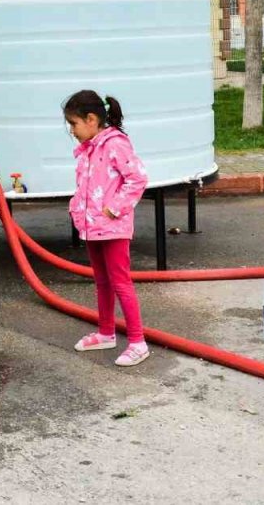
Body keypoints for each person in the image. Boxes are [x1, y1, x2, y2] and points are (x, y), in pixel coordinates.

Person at [64, 91, 151, 367]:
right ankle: (106, 332)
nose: (72, 130)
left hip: (113, 228)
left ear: (92, 119)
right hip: (92, 227)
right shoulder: (89, 149)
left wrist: (114, 208)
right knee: (102, 281)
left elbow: (137, 178)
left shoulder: (116, 144)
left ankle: (138, 342)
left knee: (120, 282)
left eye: (74, 123)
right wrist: (78, 209)